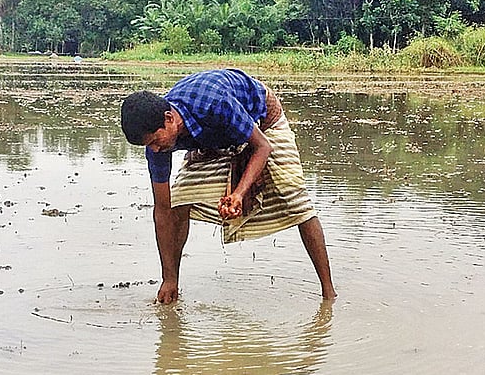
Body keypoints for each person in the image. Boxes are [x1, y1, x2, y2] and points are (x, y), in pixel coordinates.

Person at [120, 68, 336, 304]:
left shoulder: (214, 103)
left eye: (155, 142)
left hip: (261, 123)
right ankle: (173, 283)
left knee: (295, 200)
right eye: (148, 146)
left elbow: (262, 147)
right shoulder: (157, 145)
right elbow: (162, 209)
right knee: (178, 203)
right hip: (212, 137)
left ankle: (328, 292)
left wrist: (238, 193)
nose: (155, 150)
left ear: (169, 119)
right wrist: (166, 278)